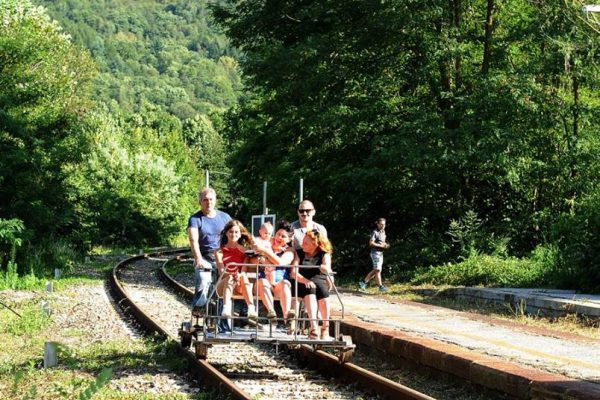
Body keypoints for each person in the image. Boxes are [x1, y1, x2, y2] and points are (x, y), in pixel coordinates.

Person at [188, 187, 231, 314]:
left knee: (232, 279)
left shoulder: (225, 217)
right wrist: (198, 258)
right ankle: (199, 306)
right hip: (205, 256)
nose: (208, 202)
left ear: (215, 201)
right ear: (200, 202)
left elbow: (235, 233)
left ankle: (235, 309)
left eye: (211, 199)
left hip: (224, 256)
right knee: (203, 278)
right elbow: (193, 240)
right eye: (205, 200)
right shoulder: (195, 219)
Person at [292, 229, 334, 340]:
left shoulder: (324, 254)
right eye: (303, 241)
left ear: (315, 244)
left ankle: (325, 327)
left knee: (323, 292)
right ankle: (314, 327)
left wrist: (325, 268)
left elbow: (327, 266)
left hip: (318, 279)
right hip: (302, 280)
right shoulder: (299, 253)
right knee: (309, 290)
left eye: (306, 243)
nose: (302, 244)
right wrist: (305, 281)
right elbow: (293, 272)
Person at [253, 220, 296, 325]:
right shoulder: (265, 244)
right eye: (278, 234)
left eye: (283, 236)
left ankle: (287, 316)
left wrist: (266, 253)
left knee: (285, 283)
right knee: (263, 282)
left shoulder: (289, 250)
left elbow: (280, 262)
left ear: (289, 239)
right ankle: (271, 313)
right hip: (263, 283)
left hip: (278, 284)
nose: (279, 238)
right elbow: (254, 260)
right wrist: (263, 256)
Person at [214, 220, 258, 321]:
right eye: (231, 232)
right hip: (224, 284)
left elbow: (243, 270)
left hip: (239, 285)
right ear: (226, 233)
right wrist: (233, 275)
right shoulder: (219, 252)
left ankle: (251, 308)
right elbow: (222, 272)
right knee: (229, 277)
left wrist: (239, 276)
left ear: (240, 234)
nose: (233, 234)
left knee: (243, 277)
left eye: (236, 232)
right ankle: (226, 308)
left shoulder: (245, 251)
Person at [359, 218, 390, 293]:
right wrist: (381, 246)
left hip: (380, 253)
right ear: (378, 224)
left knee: (377, 270)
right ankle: (377, 286)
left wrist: (387, 245)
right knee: (377, 269)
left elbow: (383, 243)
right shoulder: (375, 232)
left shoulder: (383, 232)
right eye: (381, 224)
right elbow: (371, 243)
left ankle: (366, 283)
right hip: (375, 253)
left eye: (384, 224)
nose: (383, 226)